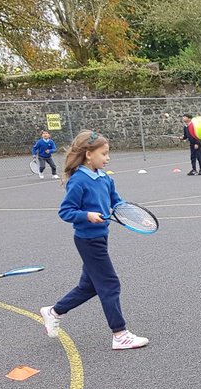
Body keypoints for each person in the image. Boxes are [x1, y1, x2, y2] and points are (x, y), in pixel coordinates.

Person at [39, 130, 149, 351]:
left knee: (89, 286)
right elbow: (66, 211)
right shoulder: (78, 181)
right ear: (89, 154)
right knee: (109, 284)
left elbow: (117, 203)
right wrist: (86, 215)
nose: (107, 158)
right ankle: (119, 334)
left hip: (100, 237)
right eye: (104, 153)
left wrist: (139, 217)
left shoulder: (105, 178)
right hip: (88, 240)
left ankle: (54, 311)